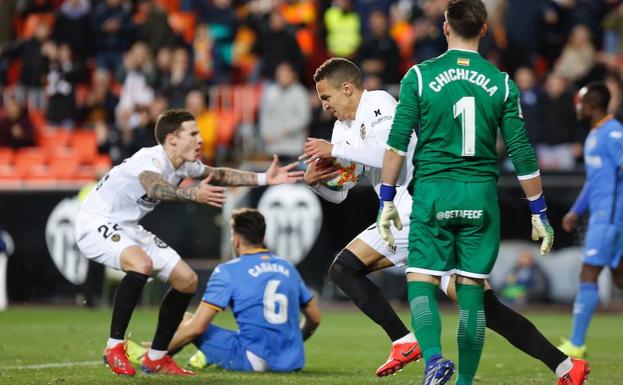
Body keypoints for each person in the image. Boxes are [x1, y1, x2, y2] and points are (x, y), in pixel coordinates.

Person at [304, 57, 589, 385]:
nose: (324, 106)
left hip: (416, 208)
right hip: (411, 212)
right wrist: (318, 182)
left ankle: (406, 342)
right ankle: (566, 366)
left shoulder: (378, 102)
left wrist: (335, 149)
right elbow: (342, 192)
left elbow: (387, 153)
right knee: (485, 306)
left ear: (347, 88)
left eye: (326, 97)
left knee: (344, 268)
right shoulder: (342, 130)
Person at [376, 1, 557, 384]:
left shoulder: (420, 77)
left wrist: (386, 199)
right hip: (480, 196)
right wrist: (538, 211)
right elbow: (522, 152)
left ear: (445, 27)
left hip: (434, 193)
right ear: (485, 30)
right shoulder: (503, 82)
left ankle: (435, 361)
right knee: (471, 291)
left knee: (421, 279)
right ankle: (465, 382)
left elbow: (395, 146)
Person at [74, 109, 303, 376]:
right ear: (172, 139)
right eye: (193, 134)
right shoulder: (149, 160)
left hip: (127, 227)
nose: (200, 139)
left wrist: (264, 178)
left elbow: (217, 174)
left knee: (187, 280)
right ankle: (114, 347)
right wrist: (193, 193)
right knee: (141, 263)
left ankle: (157, 357)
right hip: (94, 221)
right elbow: (155, 188)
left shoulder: (183, 165)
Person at [127, 208, 321, 372]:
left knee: (184, 319)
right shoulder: (287, 267)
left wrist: (155, 352)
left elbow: (197, 327)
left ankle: (154, 357)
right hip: (292, 362)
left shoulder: (229, 271)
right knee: (242, 330)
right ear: (262, 237)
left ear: (235, 239)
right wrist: (290, 347)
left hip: (254, 360)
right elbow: (315, 319)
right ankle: (205, 356)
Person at [559, 82, 623, 359]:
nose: (577, 106)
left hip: (610, 217)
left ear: (593, 105)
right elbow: (594, 181)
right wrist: (576, 210)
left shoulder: (615, 133)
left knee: (589, 273)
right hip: (602, 215)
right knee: (620, 278)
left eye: (580, 101)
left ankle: (576, 343)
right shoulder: (594, 135)